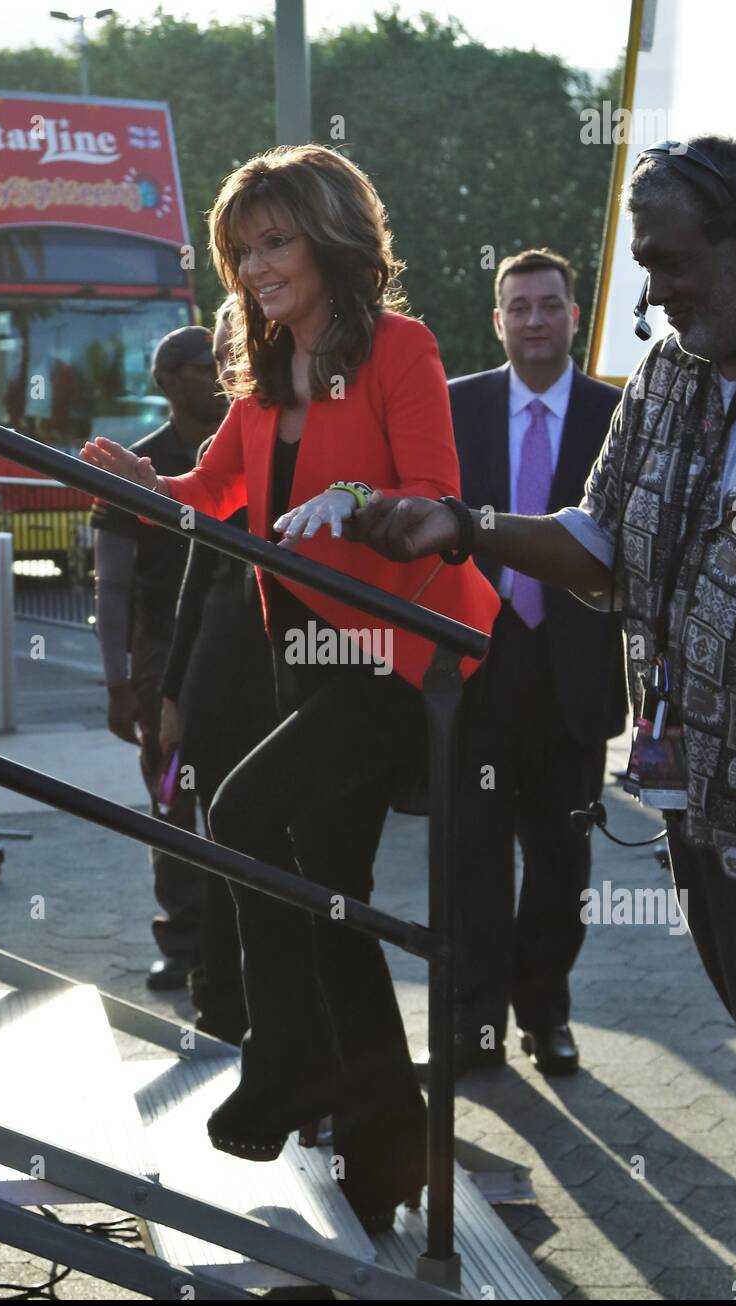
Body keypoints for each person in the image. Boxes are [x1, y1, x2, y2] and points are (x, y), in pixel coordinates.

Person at [350, 135, 736, 1276]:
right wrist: (466, 523)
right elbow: (598, 543)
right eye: (641, 266)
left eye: (673, 262)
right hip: (710, 819)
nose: (654, 295)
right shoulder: (674, 374)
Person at [80, 143, 500, 1230]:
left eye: (276, 241)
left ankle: (288, 1057)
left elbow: (434, 502)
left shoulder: (399, 347)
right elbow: (210, 492)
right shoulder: (263, 366)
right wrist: (142, 484)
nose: (257, 266)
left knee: (245, 809)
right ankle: (386, 1138)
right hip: (301, 646)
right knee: (330, 890)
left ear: (330, 237)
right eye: (241, 250)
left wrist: (356, 499)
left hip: (400, 654)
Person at [441, 248, 625, 1078]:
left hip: (573, 672)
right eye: (519, 307)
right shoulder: (455, 408)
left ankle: (544, 1014)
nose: (535, 320)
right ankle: (473, 1026)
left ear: (574, 316)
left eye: (550, 305)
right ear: (498, 320)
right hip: (478, 665)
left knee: (561, 860)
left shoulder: (617, 413)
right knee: (471, 855)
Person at [158, 297, 277, 1044]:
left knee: (279, 870)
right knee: (220, 858)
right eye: (226, 349)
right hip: (219, 685)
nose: (231, 363)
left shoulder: (300, 429)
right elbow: (195, 583)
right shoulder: (228, 451)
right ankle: (220, 1010)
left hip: (294, 685)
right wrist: (171, 694)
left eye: (243, 345)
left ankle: (282, 1024)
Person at [92, 326, 225, 990]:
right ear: (168, 380)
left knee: (237, 792)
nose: (220, 375)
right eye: (206, 367)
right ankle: (182, 939)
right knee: (171, 793)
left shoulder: (243, 445)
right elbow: (111, 585)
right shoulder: (135, 465)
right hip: (161, 648)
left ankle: (238, 937)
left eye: (226, 363)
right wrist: (118, 683)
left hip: (233, 639)